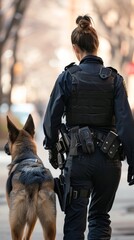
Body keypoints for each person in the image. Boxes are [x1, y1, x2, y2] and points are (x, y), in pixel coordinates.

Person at [43, 15, 134, 240]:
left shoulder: (67, 77)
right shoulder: (114, 79)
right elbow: (126, 124)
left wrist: (53, 149)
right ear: (97, 45)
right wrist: (133, 161)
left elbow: (51, 120)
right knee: (100, 218)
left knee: (74, 224)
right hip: (109, 162)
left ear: (75, 48)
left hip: (79, 160)